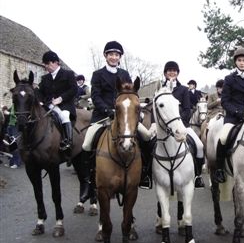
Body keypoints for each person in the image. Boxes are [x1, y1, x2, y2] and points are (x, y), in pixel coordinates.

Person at [81, 41, 152, 188]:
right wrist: (108, 110)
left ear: (120, 57)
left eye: (116, 55)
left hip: (126, 116)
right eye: (111, 54)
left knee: (146, 136)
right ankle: (89, 178)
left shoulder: (125, 74)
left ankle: (144, 173)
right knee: (87, 143)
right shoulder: (98, 74)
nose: (114, 57)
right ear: (106, 56)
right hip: (103, 116)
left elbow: (131, 94)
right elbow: (95, 96)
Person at [153, 61, 206, 188]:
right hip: (162, 127)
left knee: (199, 146)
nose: (172, 72)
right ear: (165, 73)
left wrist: (177, 123)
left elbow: (187, 109)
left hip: (182, 125)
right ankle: (147, 175)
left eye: (174, 70)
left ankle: (197, 175)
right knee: (149, 144)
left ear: (177, 73)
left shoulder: (183, 90)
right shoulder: (159, 89)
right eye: (169, 70)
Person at [213, 47, 244, 183]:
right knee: (223, 137)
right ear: (235, 62)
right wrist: (238, 113)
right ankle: (220, 169)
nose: (242, 63)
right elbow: (225, 101)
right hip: (233, 117)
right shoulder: (229, 79)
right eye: (239, 60)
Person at [38, 50, 78, 162]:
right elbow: (39, 92)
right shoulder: (45, 78)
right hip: (50, 105)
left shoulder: (68, 74)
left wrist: (60, 98)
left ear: (56, 62)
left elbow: (73, 89)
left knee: (64, 115)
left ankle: (67, 141)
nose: (46, 67)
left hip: (65, 105)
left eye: (48, 64)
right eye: (45, 64)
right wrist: (41, 101)